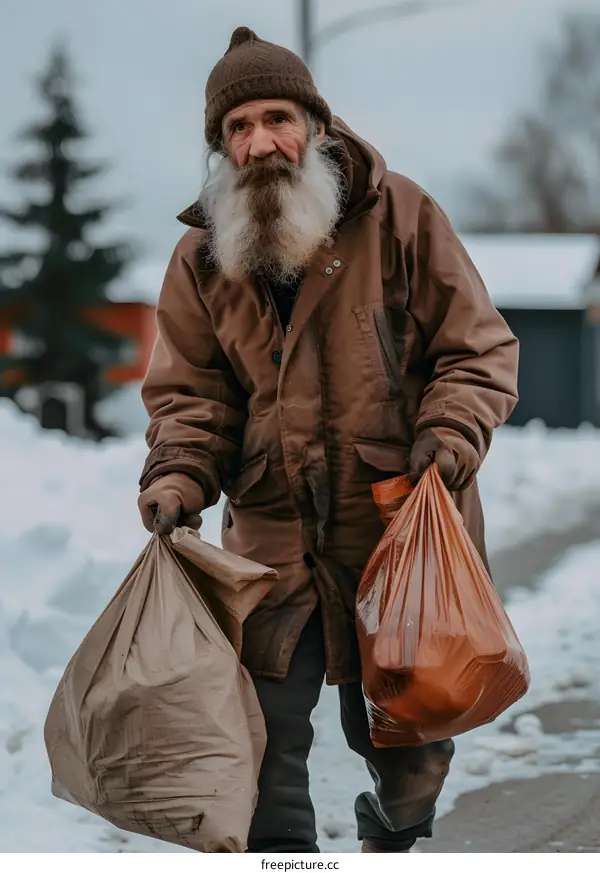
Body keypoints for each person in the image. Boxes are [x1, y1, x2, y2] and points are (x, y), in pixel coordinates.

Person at [137, 26, 519, 854]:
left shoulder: (400, 215)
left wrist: (449, 434)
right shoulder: (202, 259)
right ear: (220, 148)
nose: (258, 142)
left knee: (409, 746)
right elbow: (192, 399)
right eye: (236, 129)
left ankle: (393, 832)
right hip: (272, 533)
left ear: (315, 125)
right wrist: (176, 474)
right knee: (266, 746)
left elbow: (477, 348)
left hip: (397, 519)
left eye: (276, 117)